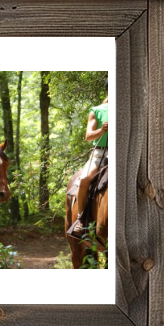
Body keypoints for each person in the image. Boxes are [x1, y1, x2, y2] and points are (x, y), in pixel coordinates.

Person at [68, 85, 108, 236]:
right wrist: (102, 130)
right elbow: (89, 136)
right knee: (84, 179)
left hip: (124, 154)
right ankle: (80, 220)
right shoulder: (97, 110)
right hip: (101, 154)